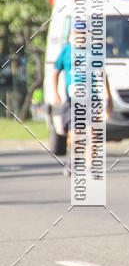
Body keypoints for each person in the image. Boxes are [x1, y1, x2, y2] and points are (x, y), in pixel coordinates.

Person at [51, 33, 73, 176]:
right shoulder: (66, 50)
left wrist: (106, 95)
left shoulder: (91, 50)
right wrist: (55, 93)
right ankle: (72, 160)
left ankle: (89, 167)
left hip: (90, 99)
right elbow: (55, 71)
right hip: (72, 100)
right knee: (73, 132)